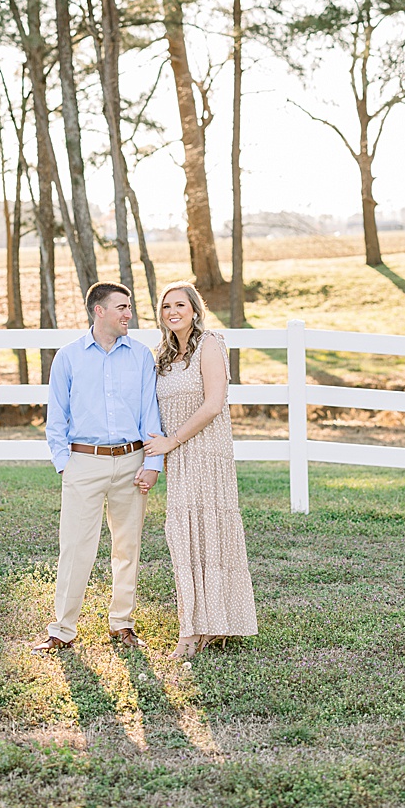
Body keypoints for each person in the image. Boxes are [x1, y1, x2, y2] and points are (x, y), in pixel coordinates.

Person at [31, 281, 166, 652]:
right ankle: (62, 629)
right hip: (83, 463)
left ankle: (122, 623)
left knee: (128, 547)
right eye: (122, 307)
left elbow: (149, 413)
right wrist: (66, 465)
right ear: (99, 311)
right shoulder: (69, 357)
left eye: (130, 307)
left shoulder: (140, 356)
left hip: (131, 462)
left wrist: (152, 462)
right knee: (76, 547)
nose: (129, 314)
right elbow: (56, 417)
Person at [140, 281, 258, 658]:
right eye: (165, 306)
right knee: (184, 535)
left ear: (194, 309)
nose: (172, 311)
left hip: (206, 450)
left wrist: (171, 441)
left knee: (206, 532)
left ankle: (199, 631)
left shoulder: (210, 344)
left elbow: (213, 405)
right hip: (178, 456)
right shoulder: (161, 355)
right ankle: (203, 623)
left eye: (179, 305)